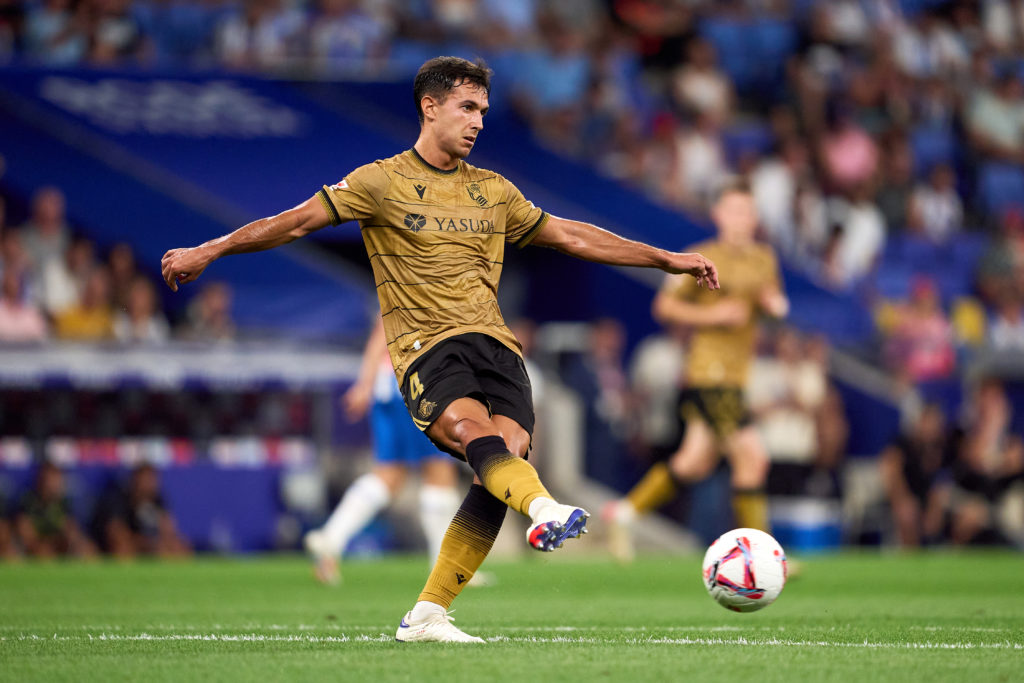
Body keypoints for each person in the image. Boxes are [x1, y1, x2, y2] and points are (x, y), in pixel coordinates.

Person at [161, 56, 718, 643]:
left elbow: (572, 235)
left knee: (503, 458)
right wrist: (211, 249)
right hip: (427, 345)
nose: (478, 122)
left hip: (498, 347)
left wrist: (665, 258)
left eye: (482, 110)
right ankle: (544, 509)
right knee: (471, 433)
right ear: (430, 107)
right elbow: (296, 223)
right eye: (466, 108)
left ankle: (428, 613)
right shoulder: (380, 181)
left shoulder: (495, 191)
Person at [604, 178, 786, 561]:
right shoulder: (701, 255)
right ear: (718, 214)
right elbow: (664, 308)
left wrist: (773, 306)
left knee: (694, 461)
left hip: (737, 376)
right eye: (733, 210)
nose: (740, 219)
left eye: (747, 212)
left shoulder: (764, 259)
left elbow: (771, 303)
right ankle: (764, 556)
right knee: (752, 458)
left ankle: (623, 514)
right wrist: (713, 313)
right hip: (708, 373)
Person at [303, 315, 463, 585]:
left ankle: (331, 538)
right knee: (438, 471)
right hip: (419, 384)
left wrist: (366, 383)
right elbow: (385, 329)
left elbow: (383, 327)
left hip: (387, 384)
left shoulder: (403, 278)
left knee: (389, 475)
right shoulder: (430, 279)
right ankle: (445, 567)